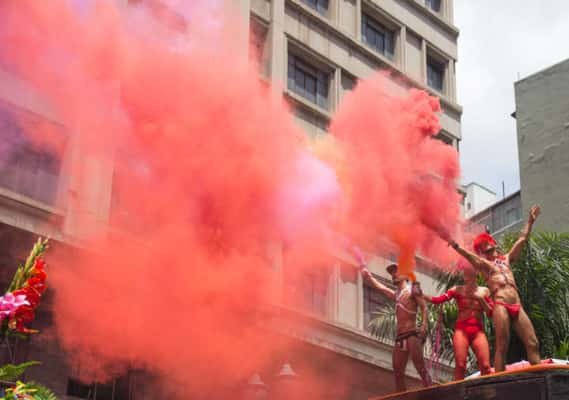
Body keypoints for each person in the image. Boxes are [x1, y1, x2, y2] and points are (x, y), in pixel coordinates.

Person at [440, 205, 541, 372]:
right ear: (482, 252)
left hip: (517, 304)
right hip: (500, 304)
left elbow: (522, 240)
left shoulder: (507, 259)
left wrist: (530, 222)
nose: (489, 253)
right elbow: (471, 257)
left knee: (533, 343)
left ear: (494, 246)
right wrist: (455, 245)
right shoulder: (485, 265)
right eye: (485, 251)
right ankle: (500, 384)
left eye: (490, 248)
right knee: (502, 345)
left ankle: (540, 377)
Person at [353, 248, 432, 392]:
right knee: (397, 372)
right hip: (400, 337)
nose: (393, 275)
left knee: (421, 368)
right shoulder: (396, 294)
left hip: (412, 335)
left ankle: (433, 393)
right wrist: (368, 276)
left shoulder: (413, 290)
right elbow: (380, 287)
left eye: (396, 272)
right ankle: (401, 396)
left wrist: (424, 325)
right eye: (392, 273)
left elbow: (424, 307)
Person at [426, 265, 492, 380]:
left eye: (469, 271)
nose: (466, 274)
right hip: (462, 330)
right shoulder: (457, 289)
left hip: (478, 331)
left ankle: (487, 393)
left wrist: (481, 299)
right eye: (465, 272)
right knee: (460, 365)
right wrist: (420, 294)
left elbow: (491, 312)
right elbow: (437, 300)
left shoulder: (484, 291)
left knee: (486, 366)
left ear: (476, 273)